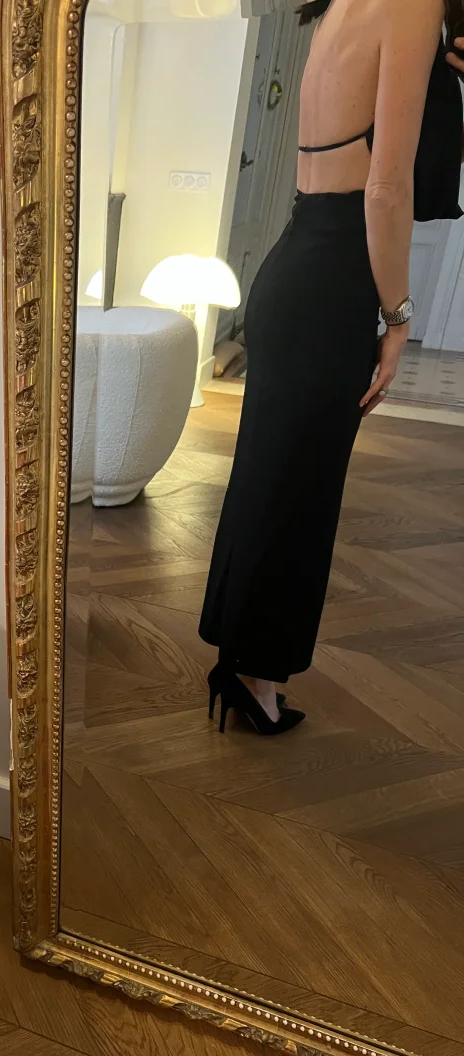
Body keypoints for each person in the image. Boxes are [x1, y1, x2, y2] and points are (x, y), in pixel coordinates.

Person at [199, 0, 463, 736]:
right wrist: (399, 317)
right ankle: (257, 678)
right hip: (333, 284)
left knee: (268, 481)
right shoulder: (412, 5)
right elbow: (387, 188)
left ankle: (241, 663)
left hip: (294, 265)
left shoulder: (342, 6)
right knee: (301, 496)